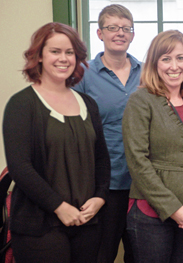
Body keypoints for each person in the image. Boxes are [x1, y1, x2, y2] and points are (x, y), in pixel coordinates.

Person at [2, 22, 110, 262]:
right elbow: (20, 167)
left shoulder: (88, 104)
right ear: (39, 56)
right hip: (39, 227)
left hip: (87, 222)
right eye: (55, 51)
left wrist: (100, 197)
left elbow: (102, 158)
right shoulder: (21, 105)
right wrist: (59, 206)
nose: (64, 58)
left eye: (69, 52)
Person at [122, 30, 183, 263]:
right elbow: (137, 161)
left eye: (180, 58)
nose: (174, 66)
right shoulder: (140, 101)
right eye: (166, 59)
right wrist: (174, 209)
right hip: (150, 212)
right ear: (154, 64)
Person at [72, 4, 140, 262]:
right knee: (102, 254)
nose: (119, 33)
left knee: (141, 255)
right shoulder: (83, 75)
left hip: (141, 185)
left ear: (133, 34)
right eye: (112, 28)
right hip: (103, 185)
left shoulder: (147, 73)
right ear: (100, 34)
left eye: (126, 28)